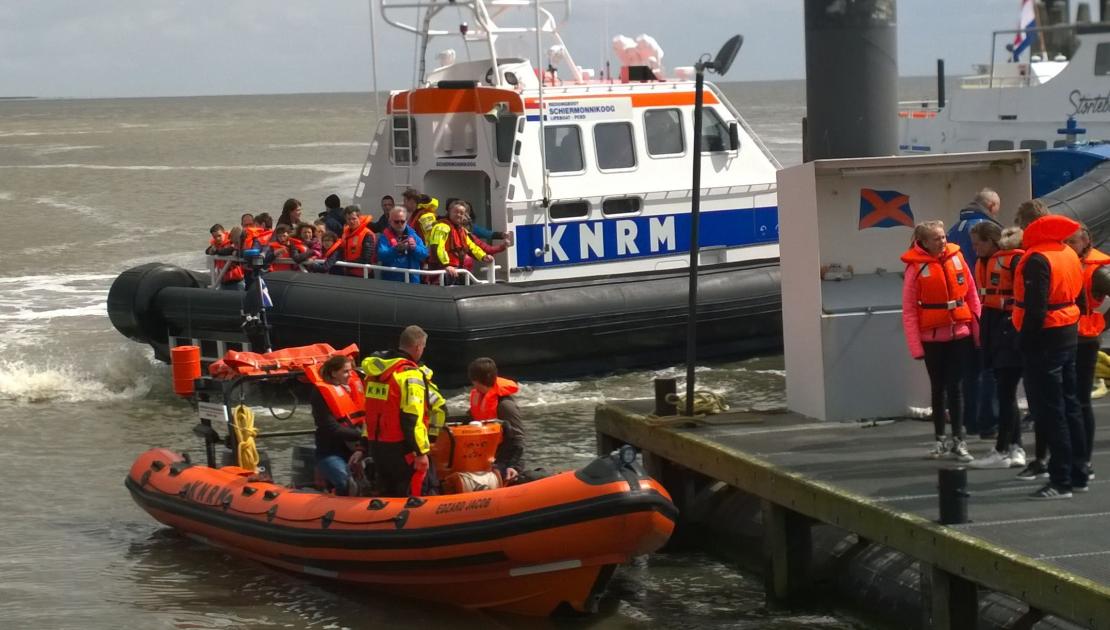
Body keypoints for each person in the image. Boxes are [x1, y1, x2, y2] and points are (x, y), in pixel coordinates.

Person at [1012, 211, 1088, 498]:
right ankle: (1079, 473)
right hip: (1069, 331)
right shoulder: (1068, 252)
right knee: (1071, 405)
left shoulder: (1036, 259)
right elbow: (1079, 296)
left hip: (1044, 338)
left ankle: (1061, 480)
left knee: (1050, 409)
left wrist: (1023, 341)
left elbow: (1035, 308)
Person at [901, 220, 980, 462]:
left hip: (959, 333)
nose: (943, 241)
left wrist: (977, 330)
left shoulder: (957, 259)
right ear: (923, 242)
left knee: (956, 388)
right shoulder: (915, 269)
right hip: (932, 338)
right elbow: (909, 311)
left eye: (943, 236)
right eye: (937, 238)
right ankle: (940, 440)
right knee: (938, 389)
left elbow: (971, 294)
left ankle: (959, 440)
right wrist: (916, 347)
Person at [969, 223, 1026, 469]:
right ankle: (1014, 447)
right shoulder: (982, 263)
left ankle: (1005, 448)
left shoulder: (1013, 261)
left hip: (1009, 326)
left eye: (978, 243)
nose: (974, 248)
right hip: (992, 323)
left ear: (992, 241)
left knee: (1005, 391)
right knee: (1005, 391)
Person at [949, 189, 1002, 440]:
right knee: (986, 369)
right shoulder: (984, 228)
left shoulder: (953, 229)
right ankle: (986, 421)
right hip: (983, 306)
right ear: (991, 206)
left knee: (968, 371)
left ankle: (970, 421)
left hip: (958, 308)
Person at [361, 326, 435, 497]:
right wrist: (420, 452)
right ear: (418, 347)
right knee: (410, 491)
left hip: (376, 444)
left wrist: (363, 445)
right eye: (423, 347)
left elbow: (370, 410)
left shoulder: (374, 373)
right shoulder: (409, 375)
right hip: (401, 447)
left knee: (385, 491)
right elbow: (412, 418)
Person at [1065, 224, 1110, 482]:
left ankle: (1084, 460)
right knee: (1065, 400)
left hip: (1085, 340)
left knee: (1080, 400)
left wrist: (1101, 322)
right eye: (1066, 242)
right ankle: (1069, 457)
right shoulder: (1061, 264)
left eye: (1074, 242)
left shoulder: (1096, 271)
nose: (1069, 247)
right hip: (1062, 336)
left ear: (1085, 242)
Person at [309, 355, 366, 496]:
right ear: (334, 373)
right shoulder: (321, 393)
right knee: (345, 482)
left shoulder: (353, 390)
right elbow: (330, 427)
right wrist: (363, 435)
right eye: (345, 371)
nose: (349, 375)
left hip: (355, 449)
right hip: (330, 452)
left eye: (350, 371)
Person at [468, 357, 524, 482]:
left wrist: (512, 466)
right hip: (488, 455)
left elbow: (518, 438)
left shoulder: (505, 406)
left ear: (475, 380)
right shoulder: (480, 398)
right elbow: (468, 419)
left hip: (507, 460)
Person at [426, 200, 493, 285]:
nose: (458, 215)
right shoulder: (441, 227)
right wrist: (446, 265)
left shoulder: (462, 230)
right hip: (443, 271)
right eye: (456, 212)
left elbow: (471, 247)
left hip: (458, 270)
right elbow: (438, 248)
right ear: (449, 212)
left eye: (461, 213)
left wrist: (483, 256)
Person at [377, 207, 428, 283]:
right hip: (392, 282)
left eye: (402, 221)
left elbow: (424, 254)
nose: (400, 224)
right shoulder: (385, 237)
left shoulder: (413, 235)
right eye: (396, 222)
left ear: (406, 221)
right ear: (390, 221)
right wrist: (396, 249)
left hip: (412, 281)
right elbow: (381, 256)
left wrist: (415, 248)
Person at [327, 205, 376, 277]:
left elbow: (366, 258)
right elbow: (341, 250)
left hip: (364, 275)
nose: (351, 221)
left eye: (354, 219)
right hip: (348, 273)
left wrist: (346, 264)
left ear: (359, 218)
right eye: (349, 219)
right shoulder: (345, 233)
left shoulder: (367, 234)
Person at [205, 224, 245, 290]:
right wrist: (211, 250)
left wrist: (216, 251)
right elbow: (207, 251)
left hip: (237, 281)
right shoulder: (215, 245)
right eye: (215, 237)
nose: (217, 238)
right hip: (222, 281)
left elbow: (228, 251)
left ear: (224, 233)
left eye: (219, 235)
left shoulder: (232, 241)